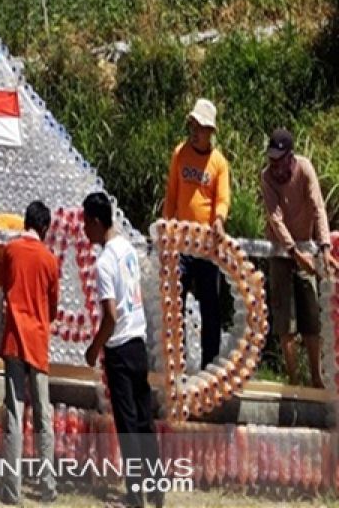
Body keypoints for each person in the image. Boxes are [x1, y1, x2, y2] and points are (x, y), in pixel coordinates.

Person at [83, 192, 161, 508]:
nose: (85, 231)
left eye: (87, 224)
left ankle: (134, 494)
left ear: (97, 222)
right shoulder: (128, 249)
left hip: (118, 347)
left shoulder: (103, 263)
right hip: (138, 343)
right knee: (144, 420)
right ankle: (155, 489)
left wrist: (94, 348)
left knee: (127, 423)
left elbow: (111, 316)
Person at [0, 201, 58, 505]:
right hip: (38, 343)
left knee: (14, 414)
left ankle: (11, 489)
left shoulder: (11, 251)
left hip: (13, 342)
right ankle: (47, 486)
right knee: (44, 415)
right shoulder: (50, 260)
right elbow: (53, 309)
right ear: (45, 228)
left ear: (25, 223)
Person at [162, 98, 230, 368]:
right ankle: (176, 363)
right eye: (193, 125)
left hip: (206, 246)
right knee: (175, 304)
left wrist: (219, 221)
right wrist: (166, 225)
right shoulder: (179, 153)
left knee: (209, 307)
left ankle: (209, 365)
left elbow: (222, 199)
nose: (195, 131)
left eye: (201, 127)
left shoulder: (219, 163)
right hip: (181, 243)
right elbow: (172, 194)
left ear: (210, 131)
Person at [261, 128, 330, 388]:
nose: (275, 166)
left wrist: (323, 246)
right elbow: (274, 218)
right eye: (272, 160)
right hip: (282, 251)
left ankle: (316, 377)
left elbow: (317, 206)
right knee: (285, 319)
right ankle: (293, 380)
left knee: (311, 314)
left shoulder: (305, 169)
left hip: (306, 247)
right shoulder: (266, 177)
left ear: (291, 157)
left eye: (280, 160)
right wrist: (292, 251)